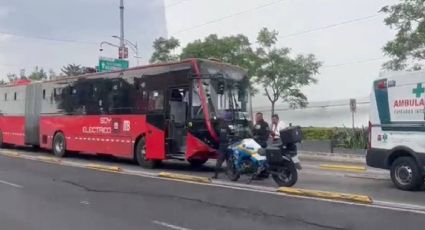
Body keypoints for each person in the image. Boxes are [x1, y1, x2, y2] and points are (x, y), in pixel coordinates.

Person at [212, 111, 233, 179]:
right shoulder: (226, 125)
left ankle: (216, 175)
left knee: (220, 160)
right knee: (228, 160)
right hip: (228, 144)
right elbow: (231, 133)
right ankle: (228, 172)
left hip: (223, 145)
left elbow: (217, 132)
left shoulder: (220, 125)